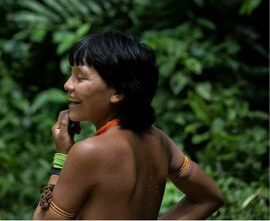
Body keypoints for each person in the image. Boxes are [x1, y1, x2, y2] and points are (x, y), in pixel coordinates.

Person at [32, 30, 224, 219]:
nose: (67, 84)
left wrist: (61, 157)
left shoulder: (88, 151)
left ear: (117, 92)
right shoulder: (160, 141)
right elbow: (208, 198)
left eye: (80, 78)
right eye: (70, 75)